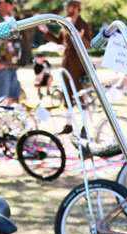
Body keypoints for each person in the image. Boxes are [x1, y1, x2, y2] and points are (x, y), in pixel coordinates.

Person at [38, 0, 91, 134]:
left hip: (78, 65)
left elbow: (89, 45)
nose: (66, 9)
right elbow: (59, 40)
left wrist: (81, 38)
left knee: (79, 94)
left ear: (76, 8)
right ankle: (68, 125)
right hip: (66, 63)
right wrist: (46, 31)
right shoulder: (65, 22)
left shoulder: (84, 23)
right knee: (66, 94)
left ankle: (84, 126)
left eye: (68, 7)